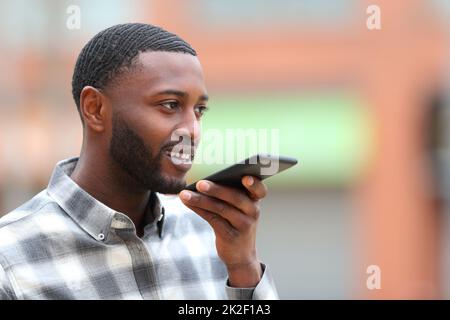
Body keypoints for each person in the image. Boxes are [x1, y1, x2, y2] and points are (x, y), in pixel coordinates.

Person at [0, 23, 278, 300]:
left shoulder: (208, 232)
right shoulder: (10, 260)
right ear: (95, 109)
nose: (193, 130)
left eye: (199, 110)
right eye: (170, 105)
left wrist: (243, 266)